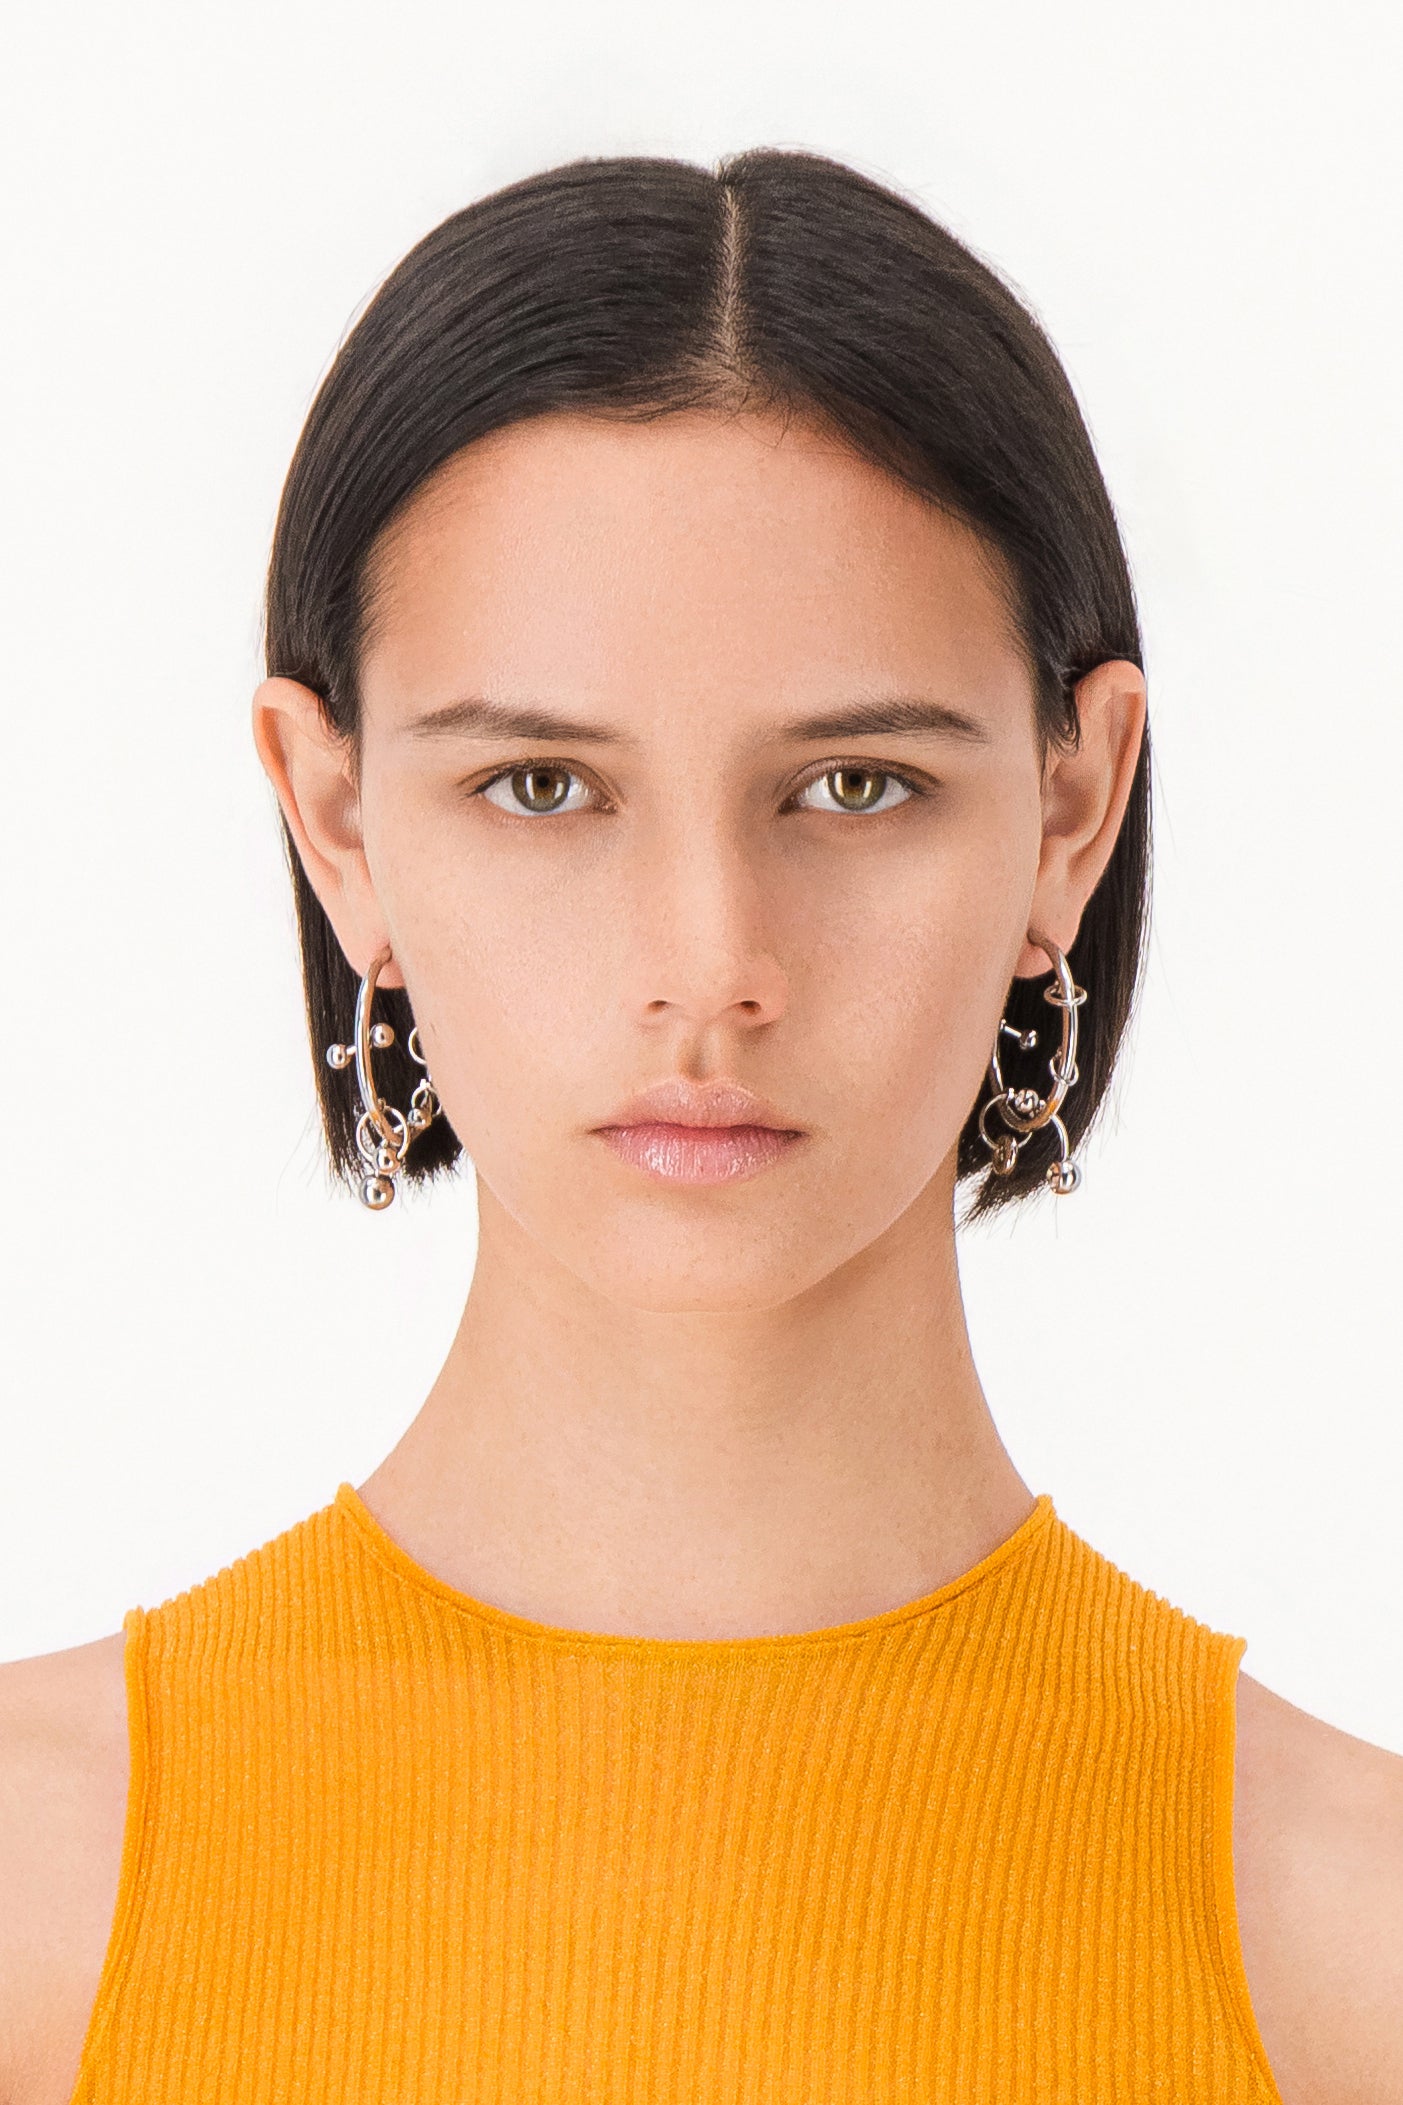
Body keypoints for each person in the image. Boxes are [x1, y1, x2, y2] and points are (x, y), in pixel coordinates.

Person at [1, 147, 1398, 2105]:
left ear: (1071, 811)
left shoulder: (1356, 1947)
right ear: (335, 820)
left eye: (853, 785)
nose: (711, 967)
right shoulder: (36, 1900)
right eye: (543, 788)